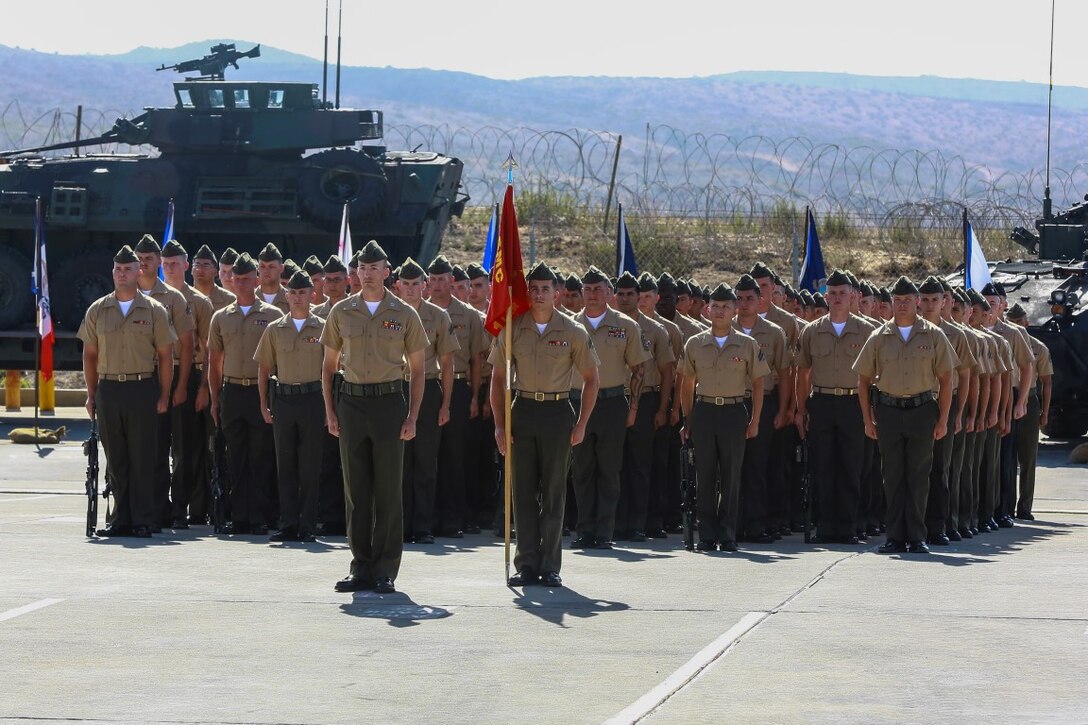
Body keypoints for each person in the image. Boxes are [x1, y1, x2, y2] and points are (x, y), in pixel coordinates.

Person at [322, 240, 428, 595]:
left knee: (387, 491)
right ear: (357, 272)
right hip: (351, 403)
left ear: (387, 273)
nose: (367, 274)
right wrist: (330, 410)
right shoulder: (341, 312)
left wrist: (412, 416)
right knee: (356, 491)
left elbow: (416, 370)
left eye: (374, 268)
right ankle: (360, 566)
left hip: (388, 405)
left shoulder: (404, 314)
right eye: (362, 268)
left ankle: (385, 570)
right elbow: (328, 366)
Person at [490, 262, 599, 588]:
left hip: (556, 414)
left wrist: (581, 424)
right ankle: (525, 564)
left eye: (545, 289)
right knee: (522, 492)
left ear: (558, 293)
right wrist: (499, 424)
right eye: (533, 288)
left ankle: (550, 565)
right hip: (522, 410)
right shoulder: (512, 328)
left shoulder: (573, 332)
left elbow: (592, 380)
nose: (538, 294)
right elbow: (497, 379)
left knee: (553, 493)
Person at [78, 245, 175, 537]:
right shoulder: (98, 309)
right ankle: (120, 519)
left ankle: (144, 520)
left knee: (143, 456)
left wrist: (164, 395)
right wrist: (91, 394)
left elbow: (165, 356)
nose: (122, 273)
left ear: (139, 272)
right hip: (109, 388)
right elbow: (90, 355)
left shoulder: (154, 310)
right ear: (113, 273)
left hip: (142, 386)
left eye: (128, 269)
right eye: (118, 269)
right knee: (117, 458)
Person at [855, 276, 956, 554]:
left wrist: (944, 418)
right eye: (897, 301)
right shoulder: (879, 337)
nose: (901, 305)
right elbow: (863, 380)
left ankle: (917, 536)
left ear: (917, 303)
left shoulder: (934, 335)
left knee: (919, 476)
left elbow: (947, 380)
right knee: (892, 475)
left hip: (923, 411)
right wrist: (867, 419)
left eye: (907, 301)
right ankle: (895, 536)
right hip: (887, 411)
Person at [679, 283, 769, 552]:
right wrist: (687, 420)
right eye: (715, 306)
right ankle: (707, 534)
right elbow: (686, 384)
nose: (719, 311)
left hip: (733, 411)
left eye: (725, 307)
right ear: (707, 310)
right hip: (704, 411)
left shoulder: (747, 344)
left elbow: (758, 384)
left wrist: (754, 420)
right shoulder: (694, 343)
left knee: (731, 476)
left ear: (735, 310)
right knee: (704, 475)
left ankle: (727, 534)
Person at [569, 267, 649, 550]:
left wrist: (633, 408)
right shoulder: (570, 325)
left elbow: (638, 368)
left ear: (608, 293)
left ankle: (604, 531)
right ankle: (584, 529)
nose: (591, 295)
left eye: (597, 289)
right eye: (587, 289)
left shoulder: (625, 325)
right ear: (581, 293)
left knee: (609, 470)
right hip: (578, 403)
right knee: (581, 470)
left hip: (613, 403)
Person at [794, 269, 875, 544]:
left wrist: (871, 412)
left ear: (853, 296)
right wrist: (801, 409)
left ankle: (849, 527)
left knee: (852, 467)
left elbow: (876, 374)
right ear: (825, 296)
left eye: (843, 293)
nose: (837, 298)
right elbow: (802, 372)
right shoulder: (812, 331)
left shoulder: (867, 331)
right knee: (823, 467)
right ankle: (827, 527)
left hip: (854, 402)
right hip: (823, 402)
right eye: (833, 293)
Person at [207, 252, 283, 536]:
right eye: (236, 278)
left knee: (261, 457)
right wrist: (216, 399)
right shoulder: (221, 317)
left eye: (245, 278)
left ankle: (261, 517)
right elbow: (214, 362)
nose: (240, 283)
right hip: (233, 391)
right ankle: (239, 516)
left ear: (256, 279)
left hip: (260, 392)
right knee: (235, 457)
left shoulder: (274, 316)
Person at [254, 269, 327, 543]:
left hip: (312, 399)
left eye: (302, 292)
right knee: (285, 464)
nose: (297, 297)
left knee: (309, 465)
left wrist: (329, 408)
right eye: (293, 293)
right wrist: (263, 404)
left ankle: (307, 524)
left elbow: (332, 370)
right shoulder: (275, 329)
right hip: (283, 399)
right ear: (287, 296)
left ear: (312, 294)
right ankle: (287, 523)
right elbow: (264, 368)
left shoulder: (322, 327)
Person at [394, 258, 459, 544]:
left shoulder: (438, 316)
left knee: (425, 461)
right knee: (398, 462)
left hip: (429, 390)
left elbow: (447, 364)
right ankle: (400, 524)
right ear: (398, 286)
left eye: (415, 284)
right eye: (405, 284)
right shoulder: (390, 313)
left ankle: (422, 526)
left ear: (425, 285)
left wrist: (445, 404)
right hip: (395, 389)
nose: (410, 290)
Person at [134, 234, 195, 531]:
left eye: (149, 259)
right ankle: (130, 507)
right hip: (132, 382)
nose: (144, 264)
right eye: (140, 259)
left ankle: (162, 508)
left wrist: (180, 386)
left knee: (163, 448)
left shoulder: (173, 298)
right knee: (132, 449)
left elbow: (186, 345)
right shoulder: (123, 294)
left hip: (163, 380)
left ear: (158, 262)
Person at [613, 271, 675, 541]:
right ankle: (615, 522)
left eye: (630, 294)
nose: (625, 299)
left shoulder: (655, 330)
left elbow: (667, 372)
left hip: (647, 399)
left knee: (640, 464)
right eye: (621, 293)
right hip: (614, 397)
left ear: (640, 297)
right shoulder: (606, 325)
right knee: (613, 463)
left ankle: (639, 522)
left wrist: (663, 409)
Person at [427, 255, 486, 537]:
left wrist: (475, 396)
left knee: (455, 456)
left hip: (460, 388)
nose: (438, 285)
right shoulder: (416, 312)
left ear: (452, 281)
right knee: (427, 456)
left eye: (443, 279)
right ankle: (428, 516)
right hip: (427, 386)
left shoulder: (469, 315)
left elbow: (477, 359)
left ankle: (453, 519)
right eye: (433, 279)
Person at [160, 240, 214, 529]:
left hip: (188, 374)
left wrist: (204, 387)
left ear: (185, 265)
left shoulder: (200, 303)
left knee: (185, 447)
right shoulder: (149, 298)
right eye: (165, 264)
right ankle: (160, 505)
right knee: (157, 446)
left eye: (174, 263)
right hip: (156, 376)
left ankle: (181, 507)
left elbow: (208, 349)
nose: (169, 268)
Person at [917, 276, 975, 546]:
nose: (929, 305)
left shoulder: (956, 335)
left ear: (944, 302)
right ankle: (913, 526)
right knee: (914, 469)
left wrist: (958, 413)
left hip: (944, 405)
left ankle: (937, 526)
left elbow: (964, 377)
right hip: (914, 404)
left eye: (934, 300)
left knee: (941, 468)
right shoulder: (907, 330)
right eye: (925, 300)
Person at [733, 274, 790, 543]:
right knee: (731, 467)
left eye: (750, 299)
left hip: (763, 402)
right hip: (729, 401)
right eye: (740, 299)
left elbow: (785, 372)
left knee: (758, 465)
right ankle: (732, 524)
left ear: (760, 300)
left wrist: (782, 409)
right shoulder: (721, 328)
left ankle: (756, 524)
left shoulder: (773, 332)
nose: (744, 304)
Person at [1006, 303, 1053, 520]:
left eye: (1020, 322)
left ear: (1027, 323)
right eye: (1012, 322)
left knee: (1027, 457)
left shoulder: (1039, 348)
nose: (1017, 326)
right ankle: (1005, 507)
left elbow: (1046, 382)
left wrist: (1044, 412)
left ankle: (1024, 507)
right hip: (1007, 397)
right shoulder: (1003, 343)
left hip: (1030, 399)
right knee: (1006, 456)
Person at [256, 243, 290, 313]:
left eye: (271, 266)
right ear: (258, 268)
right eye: (262, 266)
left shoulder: (291, 300)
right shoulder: (250, 299)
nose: (266, 271)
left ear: (281, 268)